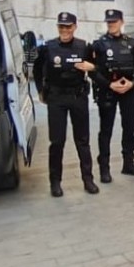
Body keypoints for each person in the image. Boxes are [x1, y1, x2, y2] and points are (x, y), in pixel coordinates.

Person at [31, 12, 98, 198]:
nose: (65, 30)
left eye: (68, 27)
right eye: (61, 27)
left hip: (77, 97)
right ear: (58, 28)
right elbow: (36, 69)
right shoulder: (48, 48)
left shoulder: (83, 46)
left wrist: (92, 68)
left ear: (75, 27)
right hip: (56, 98)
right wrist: (40, 91)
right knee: (57, 142)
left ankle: (88, 179)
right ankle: (55, 182)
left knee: (82, 140)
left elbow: (97, 66)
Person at [92, 9, 134, 181]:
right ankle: (104, 169)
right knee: (106, 131)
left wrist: (133, 83)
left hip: (128, 90)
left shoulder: (132, 43)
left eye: (114, 22)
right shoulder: (99, 45)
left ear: (121, 22)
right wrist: (109, 84)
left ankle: (128, 163)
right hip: (108, 91)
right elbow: (93, 71)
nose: (111, 25)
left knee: (129, 127)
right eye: (109, 22)